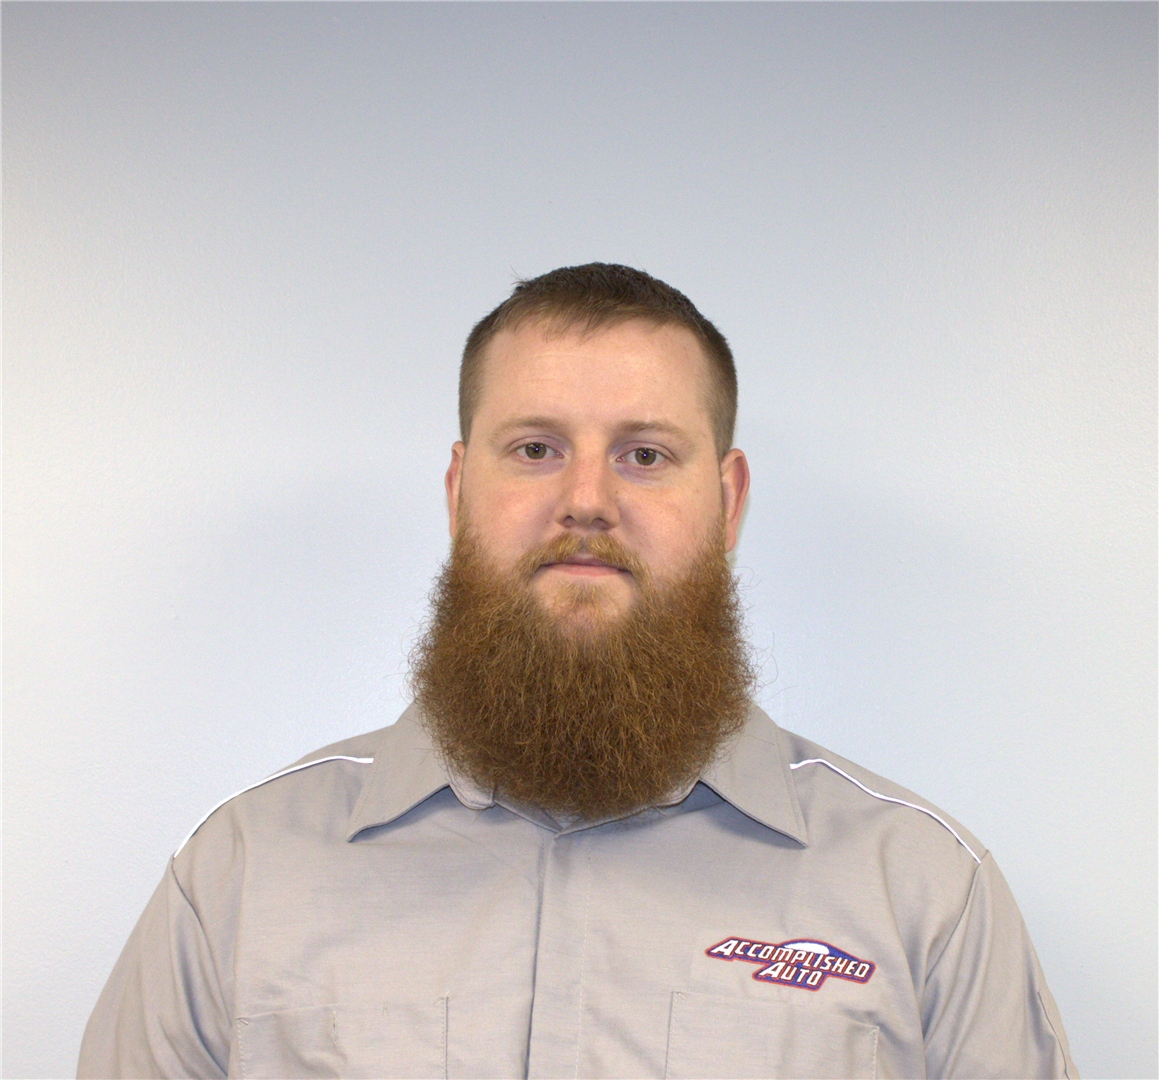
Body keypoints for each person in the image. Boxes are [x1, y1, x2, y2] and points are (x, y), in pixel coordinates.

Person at [79, 264, 1076, 1079]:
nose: (586, 499)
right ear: (459, 490)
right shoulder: (241, 877)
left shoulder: (922, 894)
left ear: (726, 505)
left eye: (644, 454)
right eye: (535, 448)